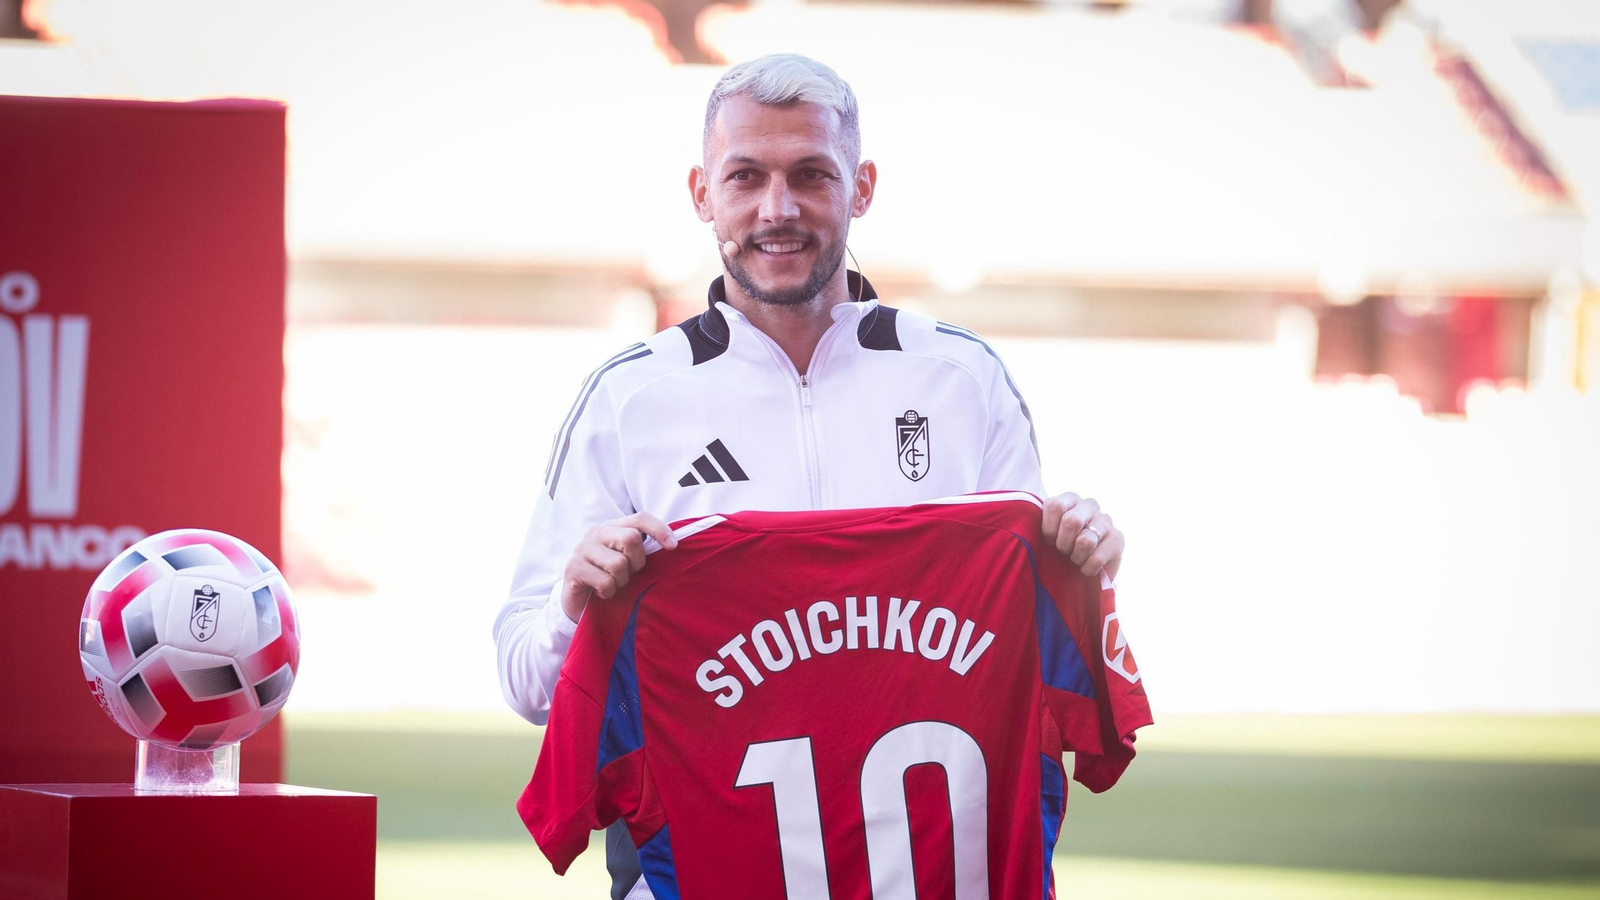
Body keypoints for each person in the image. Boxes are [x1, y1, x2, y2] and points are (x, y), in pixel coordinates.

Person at [495, 52, 1127, 899]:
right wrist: (575, 604)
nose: (777, 209)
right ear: (701, 192)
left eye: (811, 176)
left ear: (861, 187)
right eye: (745, 177)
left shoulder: (961, 378)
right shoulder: (630, 399)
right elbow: (527, 684)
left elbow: (1022, 641)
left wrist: (1080, 561)